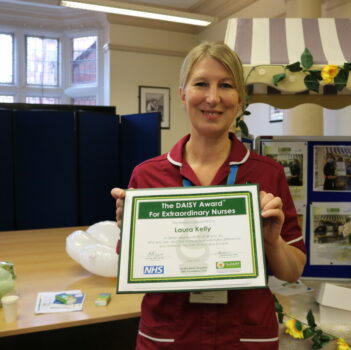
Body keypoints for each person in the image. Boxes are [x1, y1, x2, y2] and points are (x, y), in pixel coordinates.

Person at [111, 42, 307, 350]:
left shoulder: (268, 174)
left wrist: (272, 241)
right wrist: (131, 230)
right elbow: (132, 266)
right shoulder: (147, 175)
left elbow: (293, 271)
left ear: (239, 99)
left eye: (225, 85)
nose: (213, 97)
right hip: (169, 337)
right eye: (201, 83)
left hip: (244, 338)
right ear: (183, 94)